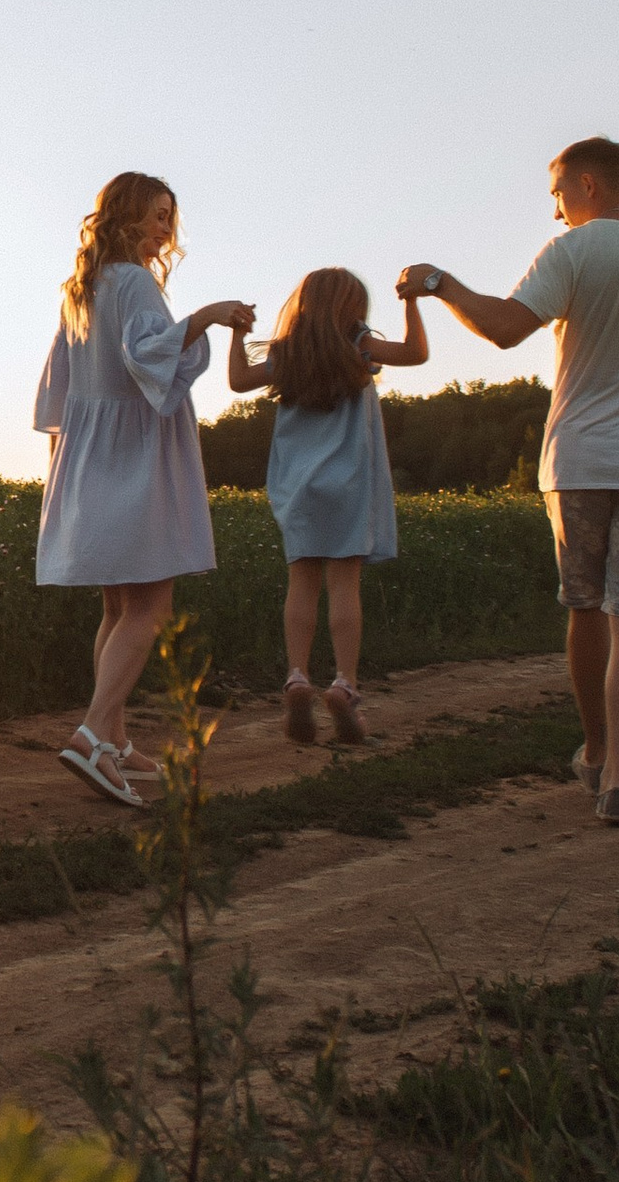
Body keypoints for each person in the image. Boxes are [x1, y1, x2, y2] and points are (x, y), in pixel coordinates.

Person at [400, 137, 619, 826]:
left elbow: (503, 329)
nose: (555, 211)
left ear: (588, 184)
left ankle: (592, 749)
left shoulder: (573, 251)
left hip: (581, 462)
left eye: (558, 193)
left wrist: (439, 281)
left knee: (585, 607)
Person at [34, 173, 254, 806]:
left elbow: (57, 388)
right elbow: (147, 354)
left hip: (91, 453)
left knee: (116, 609)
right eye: (156, 216)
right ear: (126, 217)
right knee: (151, 606)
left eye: (170, 218)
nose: (165, 229)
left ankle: (117, 739)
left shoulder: (82, 289)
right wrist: (208, 316)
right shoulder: (133, 282)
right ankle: (92, 736)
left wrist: (66, 460)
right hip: (135, 454)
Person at [223, 267, 430, 746]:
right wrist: (412, 303)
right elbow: (416, 354)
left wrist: (237, 334)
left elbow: (237, 382)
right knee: (343, 585)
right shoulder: (357, 344)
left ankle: (297, 675)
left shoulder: (286, 353)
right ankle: (344, 684)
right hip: (349, 483)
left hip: (298, 486)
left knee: (301, 580)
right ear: (352, 306)